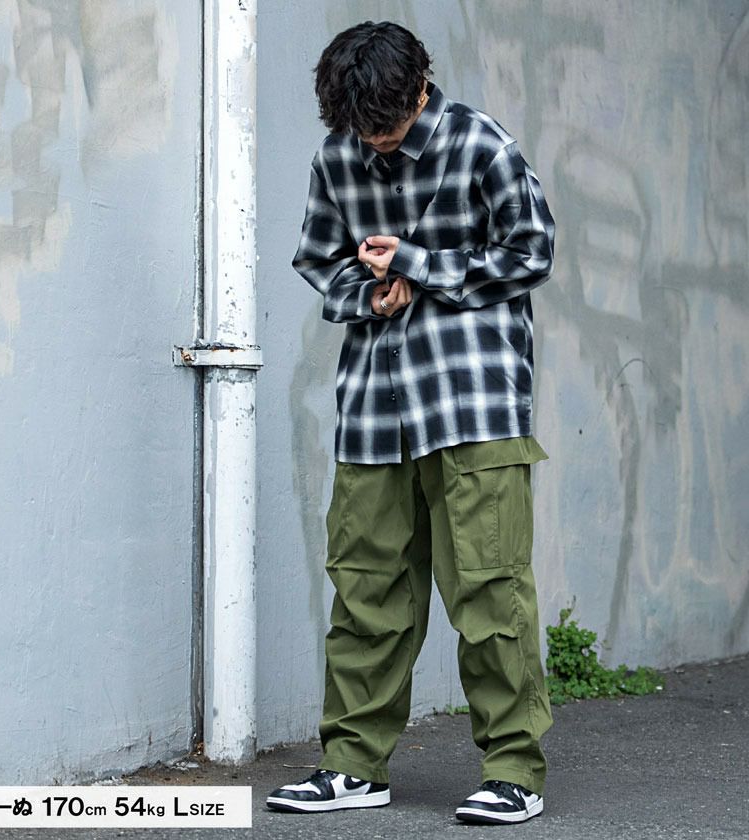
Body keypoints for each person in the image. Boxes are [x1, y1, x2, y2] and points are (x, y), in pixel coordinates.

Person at [266, 20, 556, 826]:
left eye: (386, 126)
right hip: (373, 409)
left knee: (491, 591)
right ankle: (353, 765)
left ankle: (514, 771)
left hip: (472, 405)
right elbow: (318, 259)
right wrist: (367, 292)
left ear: (420, 86)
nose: (375, 141)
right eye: (360, 128)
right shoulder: (338, 157)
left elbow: (532, 250)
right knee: (365, 590)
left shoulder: (481, 145)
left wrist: (419, 266)